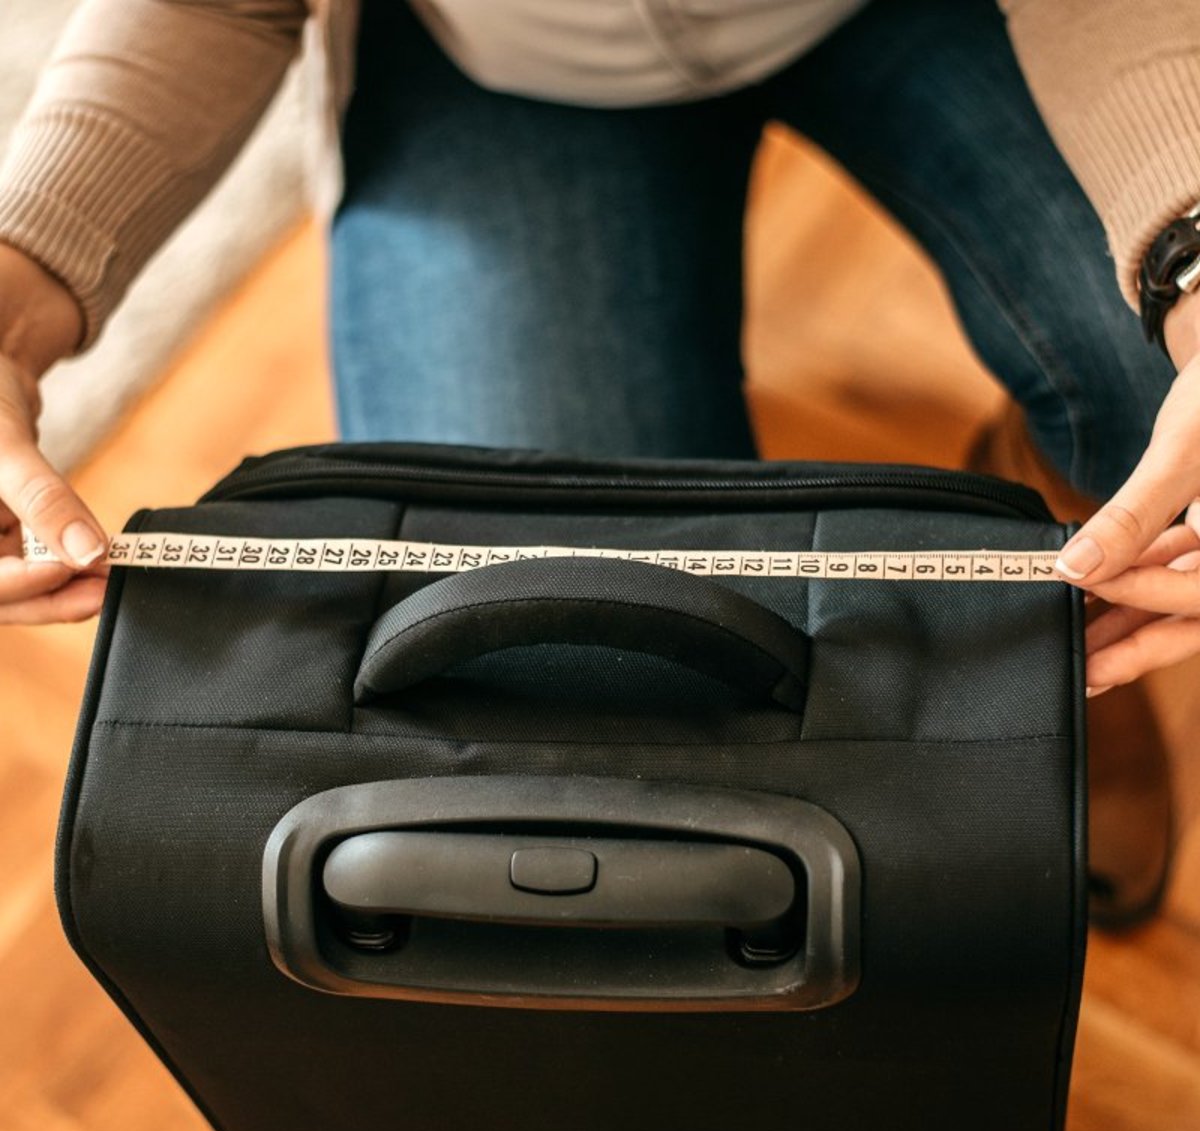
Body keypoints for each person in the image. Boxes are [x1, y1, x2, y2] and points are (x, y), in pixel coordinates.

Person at [0, 0, 1197, 919]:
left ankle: (1044, 624)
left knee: (1147, 392)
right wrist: (20, 279)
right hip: (500, 66)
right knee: (570, 667)